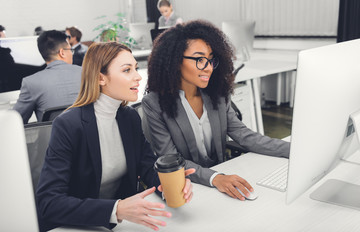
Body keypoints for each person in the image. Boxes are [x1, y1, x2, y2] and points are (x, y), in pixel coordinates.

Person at [36, 42, 195, 232]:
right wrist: (116, 209)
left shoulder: (129, 117)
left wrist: (170, 183)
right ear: (100, 78)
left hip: (122, 223)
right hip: (78, 225)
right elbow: (49, 202)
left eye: (135, 68)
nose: (137, 76)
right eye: (127, 70)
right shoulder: (69, 125)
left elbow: (147, 166)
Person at [142, 20, 290, 201]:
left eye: (211, 59)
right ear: (175, 61)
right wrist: (214, 178)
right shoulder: (154, 103)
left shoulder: (217, 94)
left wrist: (294, 150)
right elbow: (171, 159)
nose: (209, 67)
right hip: (188, 189)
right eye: (199, 59)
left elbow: (245, 136)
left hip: (224, 179)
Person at [13, 30, 81, 123]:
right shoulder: (88, 73)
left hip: (53, 137)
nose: (71, 54)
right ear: (62, 52)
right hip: (91, 136)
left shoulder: (31, 82)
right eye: (70, 50)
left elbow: (16, 120)